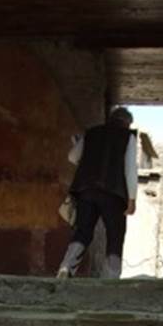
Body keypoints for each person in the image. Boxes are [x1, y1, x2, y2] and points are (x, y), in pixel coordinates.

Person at [57, 105, 138, 278]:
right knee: (115, 234)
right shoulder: (127, 137)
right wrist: (131, 199)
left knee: (83, 231)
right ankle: (111, 276)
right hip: (114, 194)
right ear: (127, 123)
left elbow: (72, 157)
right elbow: (130, 169)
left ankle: (66, 267)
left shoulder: (91, 133)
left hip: (86, 190)